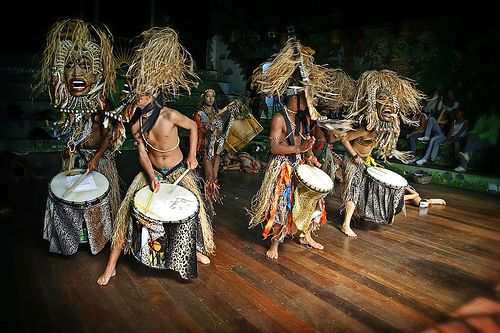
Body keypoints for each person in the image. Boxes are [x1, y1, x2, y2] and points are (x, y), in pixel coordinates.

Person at [97, 27, 215, 285]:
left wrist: (192, 156)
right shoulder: (137, 125)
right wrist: (150, 176)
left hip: (177, 171)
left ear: (151, 95)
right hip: (153, 173)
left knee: (191, 211)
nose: (134, 98)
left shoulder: (169, 115)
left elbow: (194, 127)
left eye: (139, 94)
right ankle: (111, 266)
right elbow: (142, 153)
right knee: (126, 214)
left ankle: (193, 249)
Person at [34, 18, 126, 255]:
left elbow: (108, 134)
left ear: (96, 74)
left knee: (96, 203)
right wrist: (68, 150)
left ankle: (99, 239)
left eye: (85, 66)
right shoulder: (67, 106)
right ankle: (71, 240)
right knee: (70, 200)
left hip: (97, 160)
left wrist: (97, 157)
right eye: (70, 66)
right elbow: (68, 132)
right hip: (74, 160)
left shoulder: (100, 103)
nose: (75, 73)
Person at [247, 38, 341, 259]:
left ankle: (306, 235)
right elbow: (274, 148)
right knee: (281, 204)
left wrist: (309, 154)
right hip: (282, 168)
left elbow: (304, 143)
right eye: (304, 99)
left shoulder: (303, 118)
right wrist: (299, 148)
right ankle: (275, 244)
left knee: (312, 198)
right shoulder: (279, 119)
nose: (308, 103)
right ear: (294, 98)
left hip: (299, 163)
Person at [340, 70, 425, 238]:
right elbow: (344, 138)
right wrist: (354, 156)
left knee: (370, 187)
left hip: (366, 162)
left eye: (390, 104)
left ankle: (360, 213)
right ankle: (345, 224)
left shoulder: (383, 130)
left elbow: (385, 145)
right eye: (383, 101)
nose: (388, 108)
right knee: (354, 188)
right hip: (353, 161)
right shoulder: (366, 129)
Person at [193, 88, 224, 214]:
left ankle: (210, 201)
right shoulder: (199, 114)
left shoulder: (218, 113)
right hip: (205, 148)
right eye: (208, 96)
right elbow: (197, 131)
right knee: (209, 177)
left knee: (214, 178)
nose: (210, 99)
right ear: (203, 98)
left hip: (217, 149)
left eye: (213, 96)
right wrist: (208, 128)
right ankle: (209, 205)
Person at [455, 104, 500, 172]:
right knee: (469, 138)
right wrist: (469, 133)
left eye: (492, 109)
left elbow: (491, 132)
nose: (490, 110)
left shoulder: (497, 119)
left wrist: (479, 136)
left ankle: (463, 165)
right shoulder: (481, 118)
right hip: (479, 138)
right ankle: (466, 157)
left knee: (474, 141)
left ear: (495, 110)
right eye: (489, 109)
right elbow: (475, 130)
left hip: (489, 141)